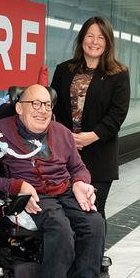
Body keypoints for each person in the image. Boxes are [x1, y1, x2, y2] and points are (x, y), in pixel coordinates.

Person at [0, 84, 104, 278]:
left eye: (47, 105)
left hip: (65, 190)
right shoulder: (2, 131)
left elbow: (78, 167)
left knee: (95, 224)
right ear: (19, 108)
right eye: (35, 103)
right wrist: (17, 186)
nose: (42, 110)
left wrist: (80, 182)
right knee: (61, 231)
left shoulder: (61, 132)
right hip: (34, 195)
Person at [50, 16, 130, 220]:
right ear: (81, 39)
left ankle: (94, 253)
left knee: (94, 210)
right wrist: (65, 136)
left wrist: (91, 136)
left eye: (100, 37)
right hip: (65, 153)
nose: (94, 42)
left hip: (99, 153)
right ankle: (70, 252)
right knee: (65, 210)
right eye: (90, 36)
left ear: (108, 42)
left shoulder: (118, 74)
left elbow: (118, 113)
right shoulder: (63, 70)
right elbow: (53, 107)